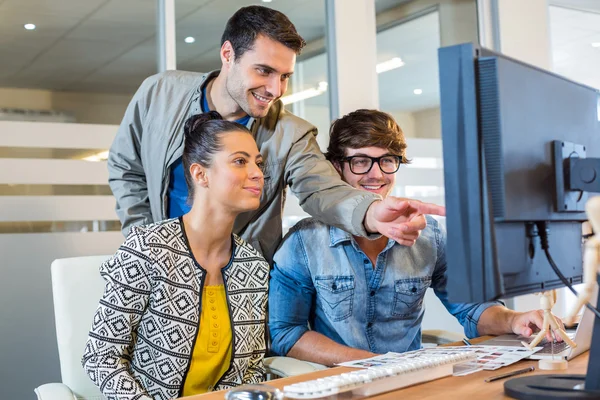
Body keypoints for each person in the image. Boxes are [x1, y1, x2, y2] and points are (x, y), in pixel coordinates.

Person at [108, 5, 443, 263]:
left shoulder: (290, 134)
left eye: (284, 76)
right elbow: (126, 167)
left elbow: (323, 191)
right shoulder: (159, 93)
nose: (275, 89)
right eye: (264, 71)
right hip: (157, 264)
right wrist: (142, 240)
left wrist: (370, 213)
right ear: (228, 55)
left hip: (238, 278)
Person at [268, 109, 562, 366]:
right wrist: (373, 365)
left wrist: (514, 320)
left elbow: (470, 307)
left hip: (409, 382)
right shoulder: (304, 242)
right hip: (338, 384)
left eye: (387, 161)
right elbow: (286, 334)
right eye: (360, 162)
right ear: (337, 167)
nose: (376, 174)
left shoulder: (427, 233)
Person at [83, 112, 270, 400]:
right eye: (240, 161)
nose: (257, 172)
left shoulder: (253, 267)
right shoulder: (148, 248)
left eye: (258, 162)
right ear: (200, 174)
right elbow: (101, 357)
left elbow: (253, 367)